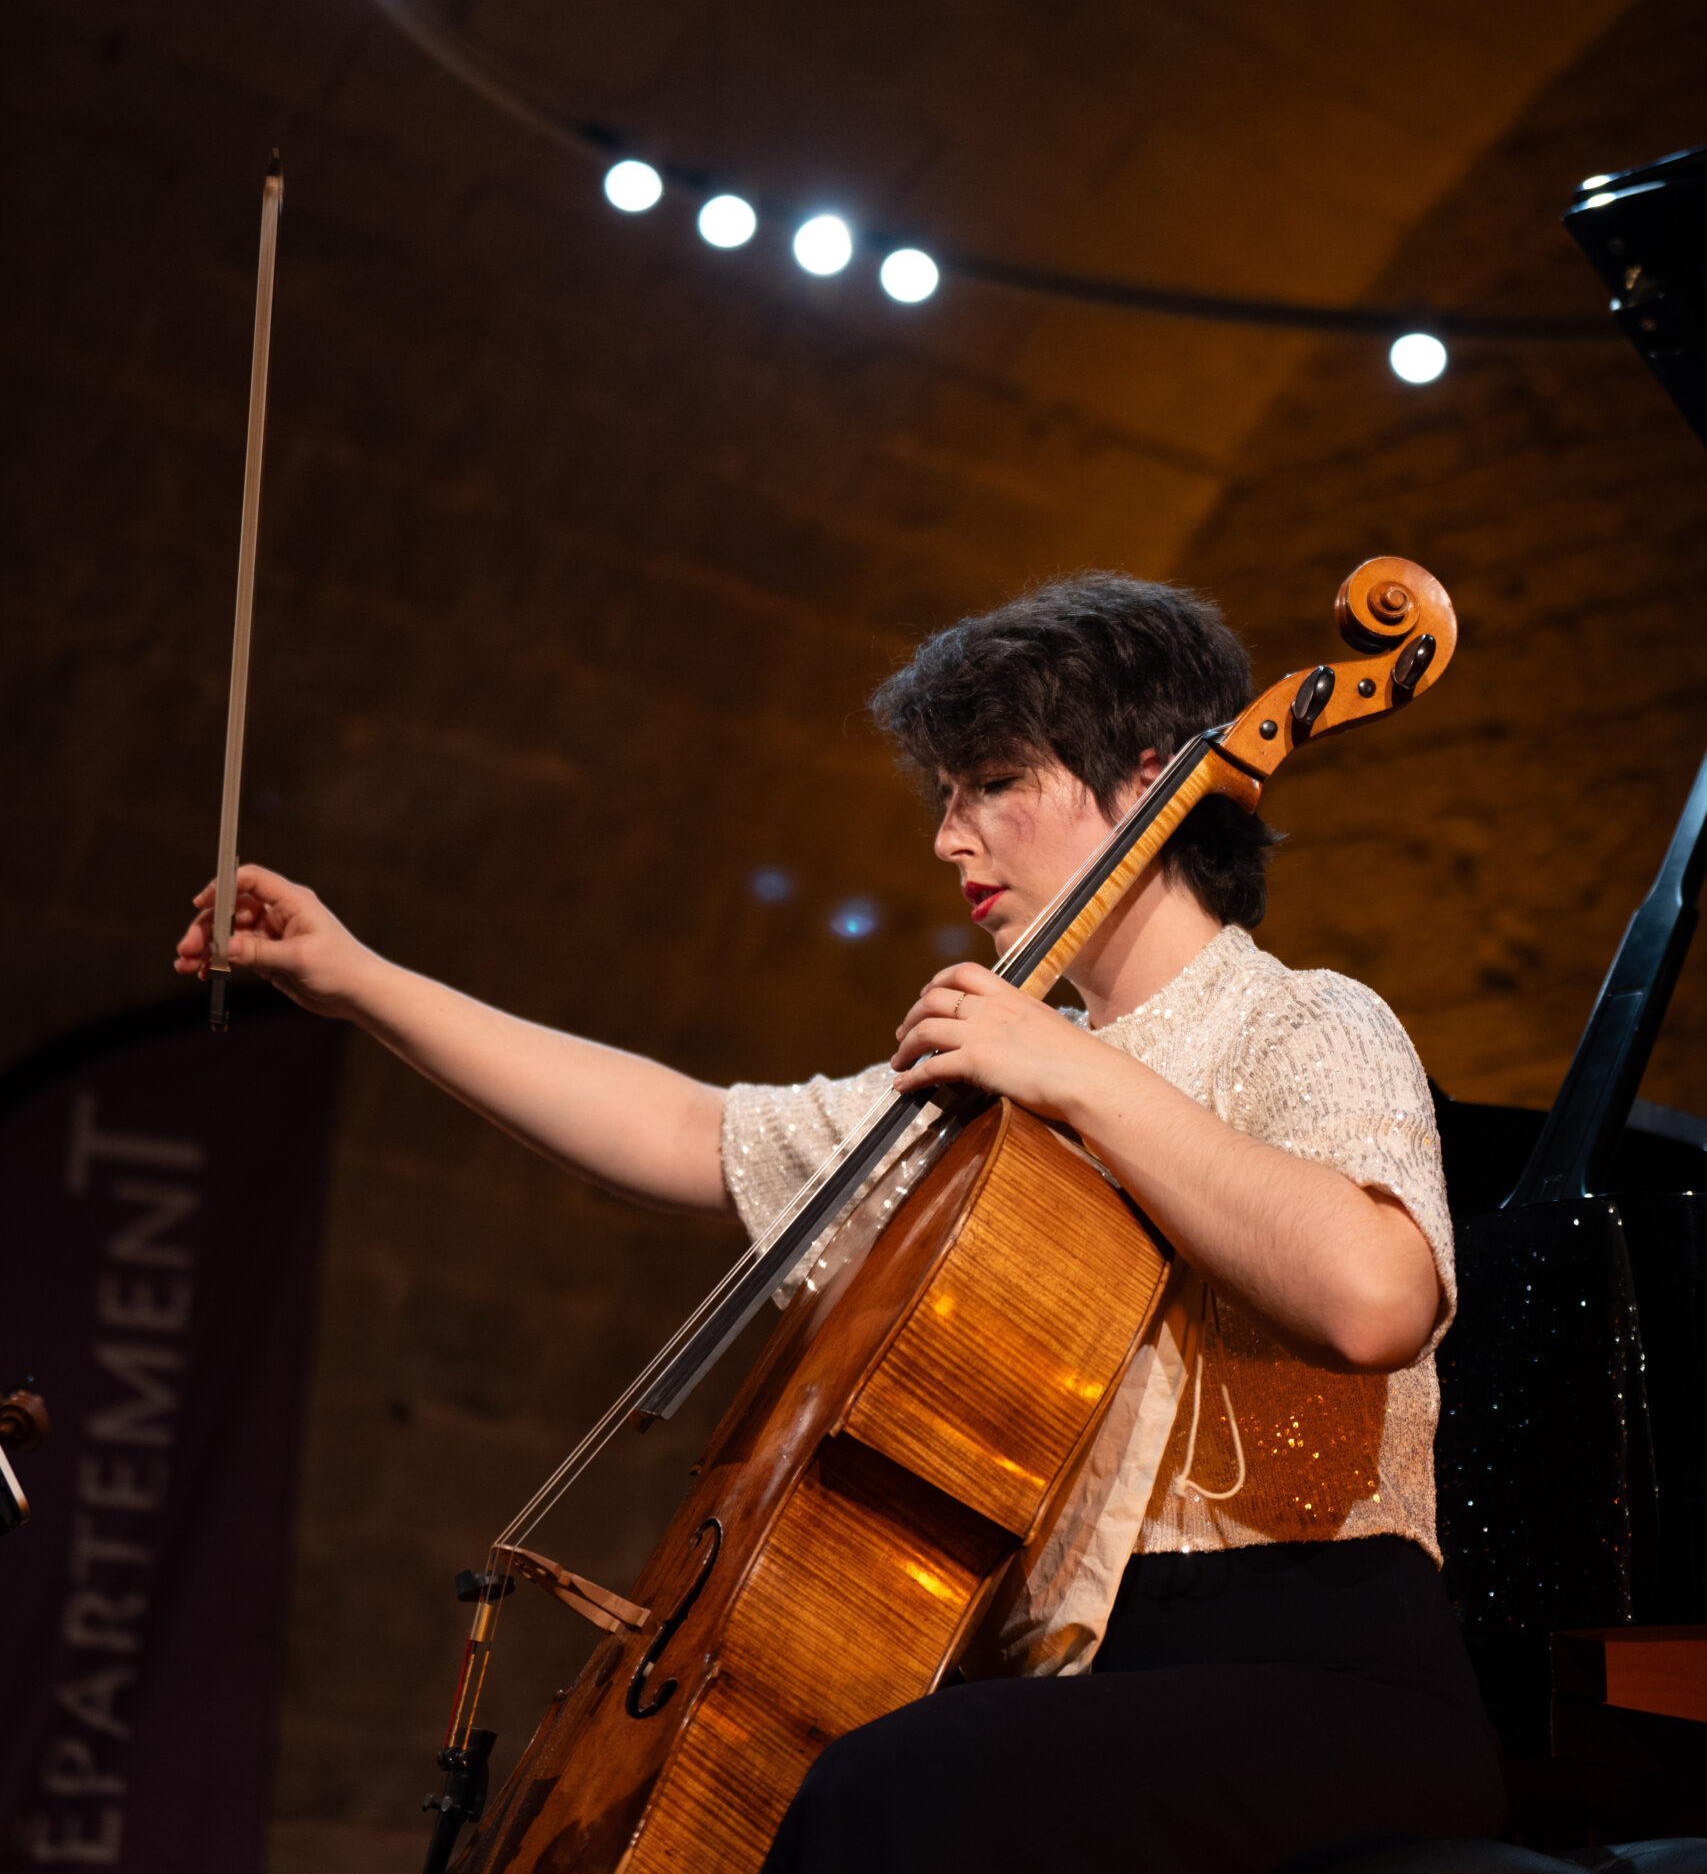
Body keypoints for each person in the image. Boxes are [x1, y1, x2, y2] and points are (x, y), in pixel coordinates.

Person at [175, 573, 1504, 1872]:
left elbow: (1373, 1296)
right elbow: (686, 1131)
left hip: (1325, 1676)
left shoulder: (1308, 1022)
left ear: (1151, 782)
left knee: (890, 1792)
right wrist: (358, 981)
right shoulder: (999, 1079)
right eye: (946, 795)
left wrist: (1073, 1072)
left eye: (996, 783)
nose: (948, 839)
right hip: (1073, 1689)